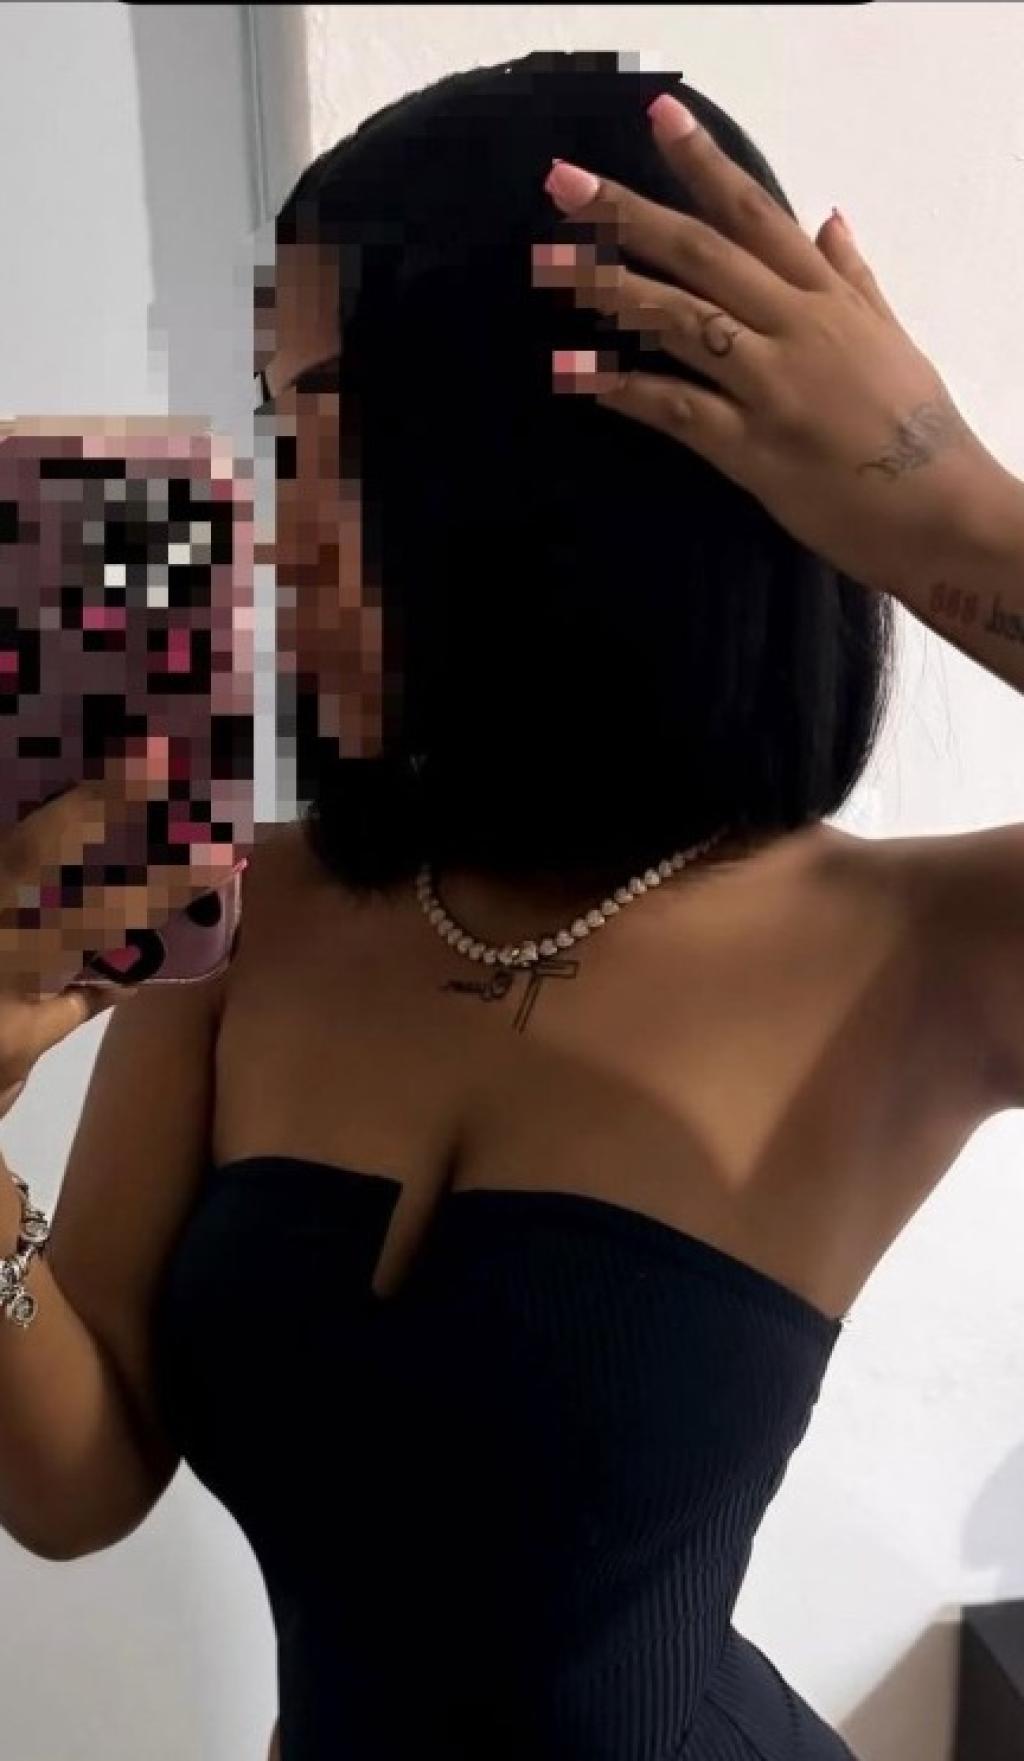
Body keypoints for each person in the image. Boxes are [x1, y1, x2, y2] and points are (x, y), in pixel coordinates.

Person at [2, 48, 1022, 1761]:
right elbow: (78, 1475)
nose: (275, 536)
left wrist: (939, 499)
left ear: (543, 469)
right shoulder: (251, 905)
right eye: (274, 434)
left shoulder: (918, 956)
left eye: (331, 443)